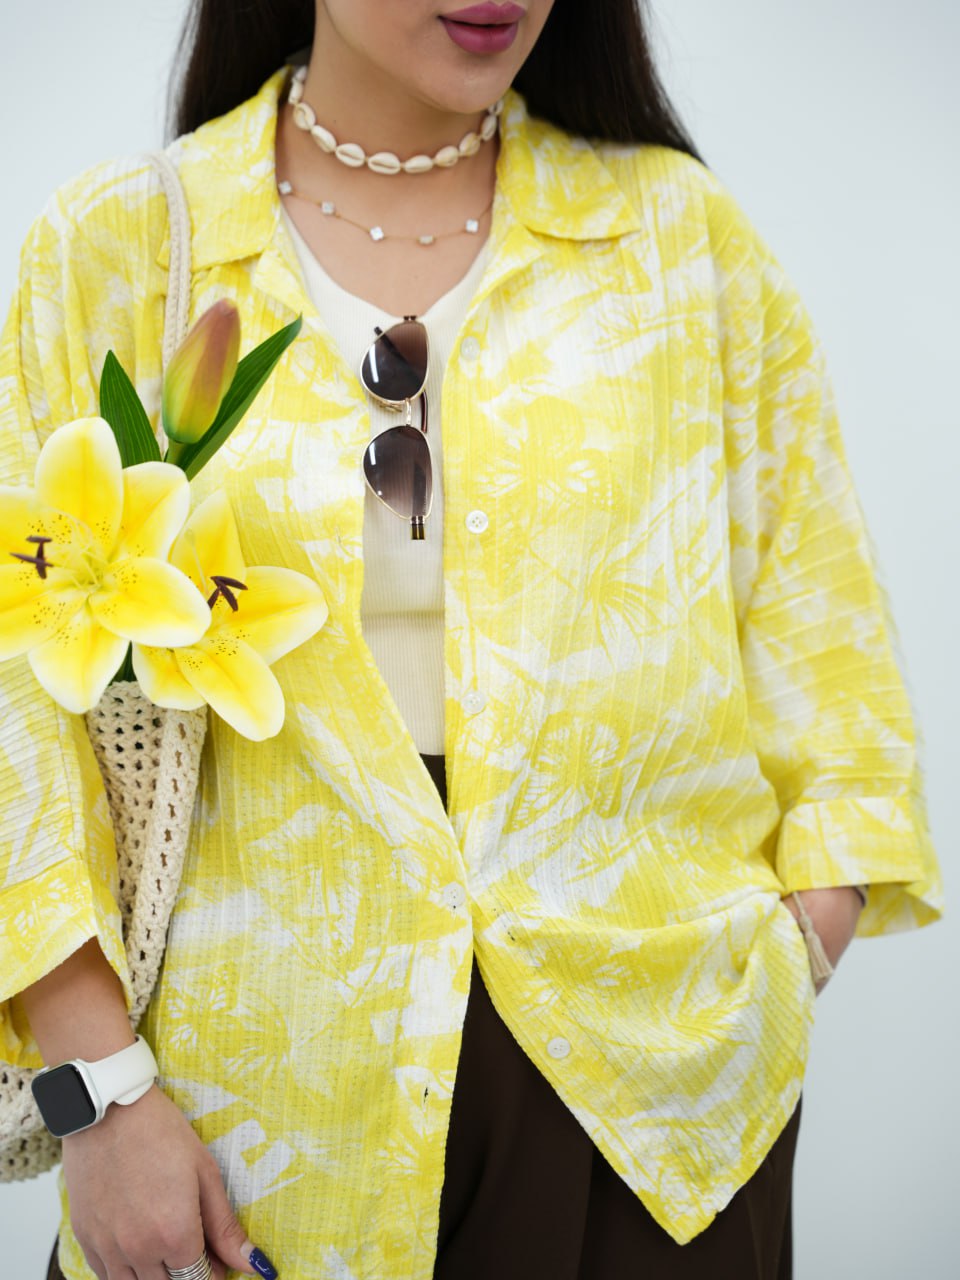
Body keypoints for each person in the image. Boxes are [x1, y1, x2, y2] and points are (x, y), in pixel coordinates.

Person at [0, 1, 943, 1278]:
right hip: (251, 1110)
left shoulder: (681, 239)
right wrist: (98, 1093)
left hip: (648, 1101)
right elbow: (16, 702)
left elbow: (827, 645)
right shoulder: (122, 246)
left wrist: (788, 954)